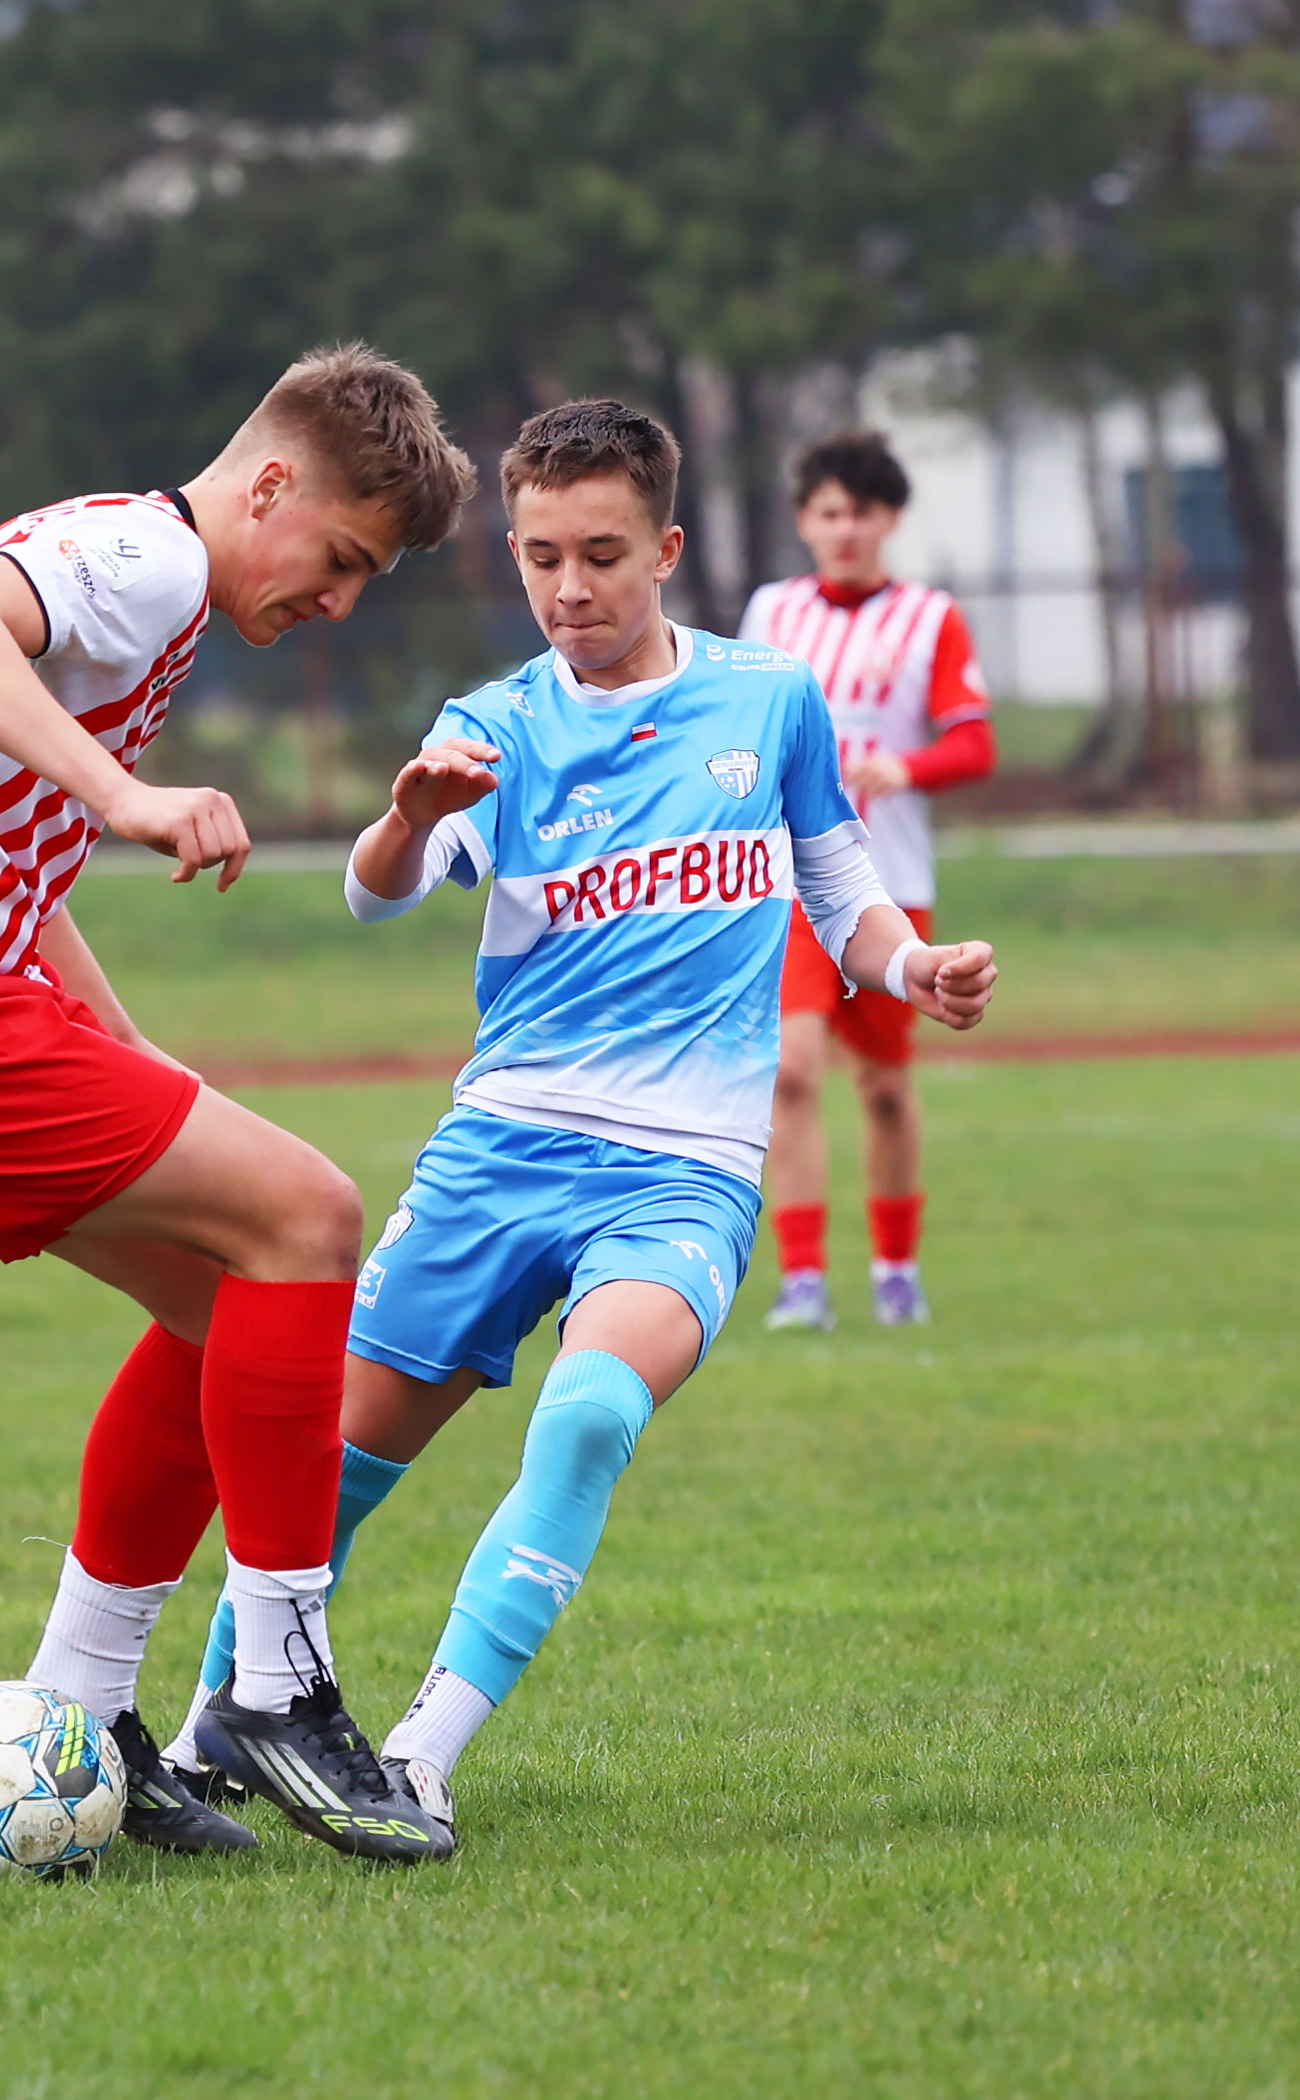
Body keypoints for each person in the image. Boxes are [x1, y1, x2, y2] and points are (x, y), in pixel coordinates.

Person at [165, 400, 997, 1841]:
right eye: (542, 556)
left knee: (594, 1411)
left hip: (685, 1168)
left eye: (603, 555)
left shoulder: (769, 700)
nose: (571, 588)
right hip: (502, 1152)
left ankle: (421, 1753)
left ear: (665, 550)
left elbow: (839, 884)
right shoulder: (491, 725)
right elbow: (372, 892)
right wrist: (410, 816)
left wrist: (910, 965)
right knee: (325, 1477)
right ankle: (204, 1742)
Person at [0, 345, 476, 1866]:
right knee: (312, 1215)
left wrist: (134, 1051)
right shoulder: (151, 560)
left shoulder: (146, 579)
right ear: (269, 485)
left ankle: (82, 1713)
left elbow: (11, 851)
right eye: (343, 559)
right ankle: (278, 1685)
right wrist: (128, 796)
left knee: (225, 1296)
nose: (340, 601)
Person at [739, 431, 998, 1331]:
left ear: (890, 519)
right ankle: (804, 1281)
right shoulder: (771, 613)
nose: (845, 529)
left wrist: (906, 767)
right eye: (829, 512)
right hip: (789, 887)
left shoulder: (929, 617)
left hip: (890, 886)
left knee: (884, 1088)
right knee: (792, 1073)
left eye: (862, 512)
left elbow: (975, 742)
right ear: (805, 521)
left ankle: (895, 1270)